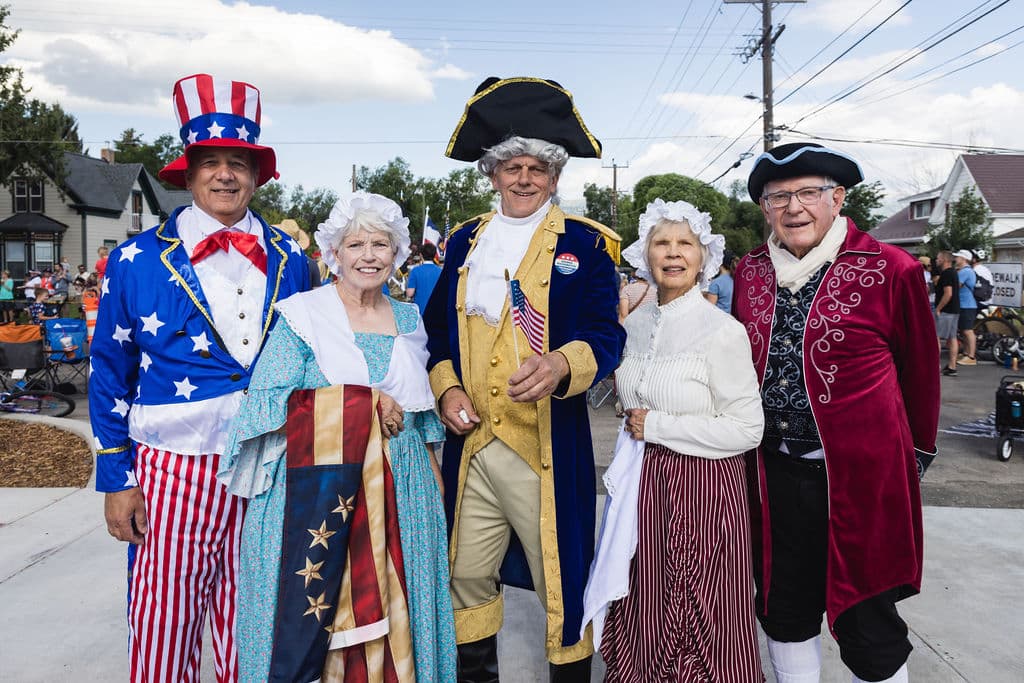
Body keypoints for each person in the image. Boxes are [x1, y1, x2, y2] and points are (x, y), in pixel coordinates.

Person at [89, 73, 310, 682]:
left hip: (268, 464)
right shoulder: (134, 259)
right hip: (170, 469)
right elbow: (109, 372)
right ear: (187, 175)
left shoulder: (292, 258)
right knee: (163, 633)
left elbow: (313, 359)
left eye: (238, 162)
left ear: (257, 175)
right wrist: (117, 478)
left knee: (256, 633)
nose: (225, 175)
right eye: (210, 162)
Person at [425, 76, 625, 683]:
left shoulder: (588, 245)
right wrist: (447, 389)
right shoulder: (465, 241)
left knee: (561, 582)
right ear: (492, 173)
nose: (524, 179)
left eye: (538, 168)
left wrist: (563, 364)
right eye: (512, 167)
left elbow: (606, 334)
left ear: (555, 176)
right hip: (472, 446)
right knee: (464, 575)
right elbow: (436, 334)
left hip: (544, 447)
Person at [218, 191, 457, 682]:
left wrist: (435, 483)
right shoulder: (303, 315)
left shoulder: (410, 319)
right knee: (320, 619)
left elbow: (422, 418)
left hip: (405, 489)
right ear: (334, 253)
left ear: (397, 253)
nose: (369, 256)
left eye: (380, 244)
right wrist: (363, 402)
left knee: (406, 608)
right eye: (355, 245)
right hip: (323, 492)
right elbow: (265, 408)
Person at [733, 142, 940, 683]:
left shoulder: (891, 268)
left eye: (808, 193)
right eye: (778, 197)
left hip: (862, 478)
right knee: (783, 609)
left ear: (837, 198)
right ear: (765, 209)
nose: (793, 207)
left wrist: (914, 458)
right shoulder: (749, 271)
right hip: (772, 474)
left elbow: (921, 371)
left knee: (868, 620)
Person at [583, 199, 764, 681]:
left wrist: (659, 425)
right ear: (646, 254)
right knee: (646, 598)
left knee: (697, 608)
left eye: (686, 243)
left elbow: (748, 428)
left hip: (704, 488)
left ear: (704, 257)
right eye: (661, 243)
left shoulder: (722, 331)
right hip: (644, 484)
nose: (673, 252)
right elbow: (632, 396)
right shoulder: (634, 325)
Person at [934, 250, 960, 376]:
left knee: (936, 338)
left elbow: (948, 293)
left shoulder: (946, 274)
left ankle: (935, 366)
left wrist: (938, 308)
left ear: (944, 260)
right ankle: (952, 366)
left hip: (946, 311)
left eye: (938, 258)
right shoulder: (954, 272)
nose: (936, 260)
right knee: (952, 337)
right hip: (954, 309)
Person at [953, 249, 978, 365]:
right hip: (965, 304)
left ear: (963, 259)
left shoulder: (965, 271)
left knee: (968, 331)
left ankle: (971, 357)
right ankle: (966, 353)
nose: (955, 259)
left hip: (967, 305)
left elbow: (956, 286)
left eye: (957, 257)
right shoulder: (965, 270)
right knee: (964, 330)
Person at [406, 241, 442, 315]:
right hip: (437, 311)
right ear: (434, 255)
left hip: (420, 312)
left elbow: (409, 293)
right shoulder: (441, 271)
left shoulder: (415, 271)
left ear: (421, 255)